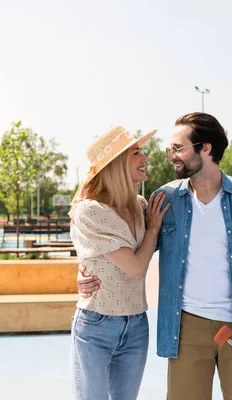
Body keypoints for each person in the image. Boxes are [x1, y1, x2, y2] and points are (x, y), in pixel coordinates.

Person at [78, 113, 232, 400]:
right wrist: (84, 273)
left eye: (178, 148)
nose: (171, 156)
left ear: (205, 149)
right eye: (170, 149)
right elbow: (130, 251)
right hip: (185, 329)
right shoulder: (164, 200)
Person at [68, 125, 170, 400]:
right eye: (136, 153)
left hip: (136, 323)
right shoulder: (91, 209)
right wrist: (152, 230)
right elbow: (137, 268)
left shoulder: (139, 206)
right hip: (96, 325)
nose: (145, 158)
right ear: (115, 165)